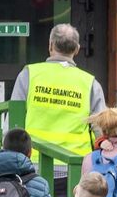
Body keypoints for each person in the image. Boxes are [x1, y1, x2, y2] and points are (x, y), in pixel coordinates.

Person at [11, 23, 108, 157]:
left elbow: (13, 119)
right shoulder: (90, 83)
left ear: (50, 45)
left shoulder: (29, 74)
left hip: (32, 161)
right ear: (77, 49)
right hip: (76, 164)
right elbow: (100, 128)